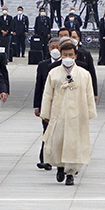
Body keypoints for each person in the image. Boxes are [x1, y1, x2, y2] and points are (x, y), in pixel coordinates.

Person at [41, 40, 97, 185]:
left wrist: (89, 112)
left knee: (74, 144)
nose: (68, 57)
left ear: (75, 56)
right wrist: (45, 113)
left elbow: (89, 94)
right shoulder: (53, 73)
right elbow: (47, 94)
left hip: (77, 114)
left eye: (70, 55)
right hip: (59, 114)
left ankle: (71, 172)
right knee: (58, 141)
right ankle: (60, 166)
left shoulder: (84, 74)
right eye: (65, 55)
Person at [34, 38, 62, 170]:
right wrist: (37, 106)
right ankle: (45, 158)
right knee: (47, 130)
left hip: (61, 104)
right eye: (52, 47)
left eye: (57, 47)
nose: (55, 50)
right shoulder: (43, 65)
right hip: (47, 104)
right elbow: (39, 86)